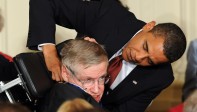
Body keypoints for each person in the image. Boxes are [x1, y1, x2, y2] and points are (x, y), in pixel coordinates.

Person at [27, 0, 187, 111]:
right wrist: (49, 52)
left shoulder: (160, 77)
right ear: (149, 26)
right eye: (145, 46)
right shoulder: (110, 16)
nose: (139, 57)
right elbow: (45, 2)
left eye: (149, 61)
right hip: (51, 98)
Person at [41, 39, 109, 112]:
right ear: (66, 73)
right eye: (87, 80)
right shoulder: (66, 98)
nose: (96, 90)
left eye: (102, 78)